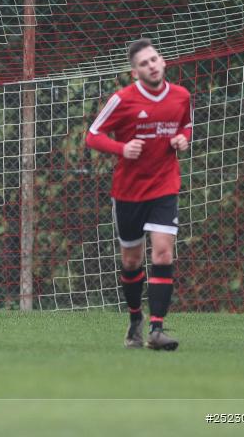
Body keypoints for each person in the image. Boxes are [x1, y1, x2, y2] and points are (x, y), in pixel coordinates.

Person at [86, 38, 192, 351]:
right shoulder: (123, 100)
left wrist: (182, 141)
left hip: (164, 186)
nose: (152, 65)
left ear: (163, 62)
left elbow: (186, 126)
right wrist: (122, 148)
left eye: (155, 59)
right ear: (135, 72)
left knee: (162, 252)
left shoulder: (181, 96)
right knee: (132, 261)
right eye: (144, 63)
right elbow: (92, 136)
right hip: (129, 192)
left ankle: (157, 329)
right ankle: (135, 319)